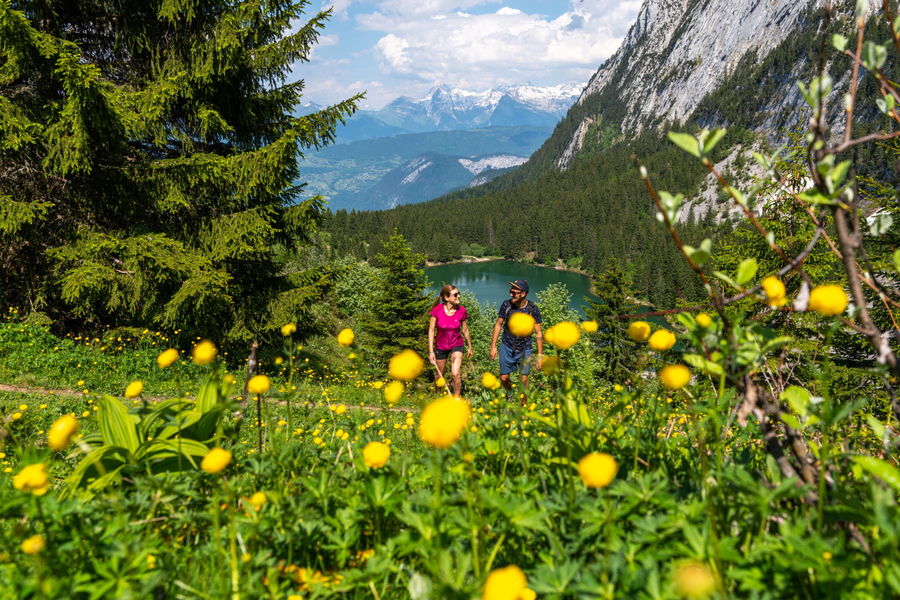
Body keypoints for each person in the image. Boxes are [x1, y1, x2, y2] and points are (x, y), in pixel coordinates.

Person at [490, 279, 543, 391]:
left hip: (525, 349)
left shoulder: (532, 309)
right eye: (511, 291)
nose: (511, 294)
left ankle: (524, 403)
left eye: (514, 293)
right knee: (504, 378)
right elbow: (498, 325)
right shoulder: (506, 305)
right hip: (507, 346)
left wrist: (539, 355)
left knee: (523, 379)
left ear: (523, 294)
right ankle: (510, 394)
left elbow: (538, 332)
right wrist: (493, 346)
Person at [428, 284, 473, 396]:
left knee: (455, 373)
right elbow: (431, 330)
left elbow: (465, 330)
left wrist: (470, 347)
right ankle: (438, 396)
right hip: (440, 346)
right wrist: (431, 351)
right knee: (439, 375)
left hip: (457, 344)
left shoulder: (462, 311)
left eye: (459, 293)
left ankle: (456, 399)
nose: (459, 296)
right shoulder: (436, 310)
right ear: (446, 297)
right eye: (455, 295)